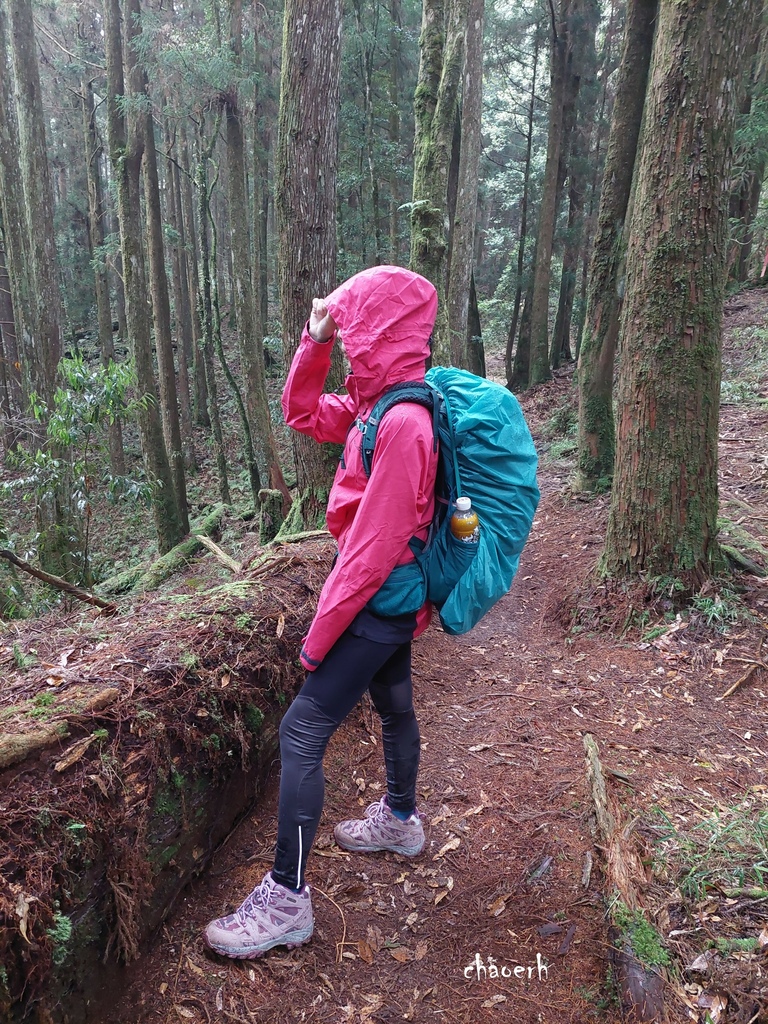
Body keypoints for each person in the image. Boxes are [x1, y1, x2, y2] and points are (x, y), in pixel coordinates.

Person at [204, 265, 440, 959]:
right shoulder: (378, 406)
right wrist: (314, 343)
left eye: (352, 325)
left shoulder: (403, 423)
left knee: (302, 730)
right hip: (391, 597)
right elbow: (304, 413)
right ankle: (400, 820)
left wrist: (317, 640)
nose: (348, 335)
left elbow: (367, 552)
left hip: (377, 598)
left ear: (379, 332)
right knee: (394, 704)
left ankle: (287, 899)